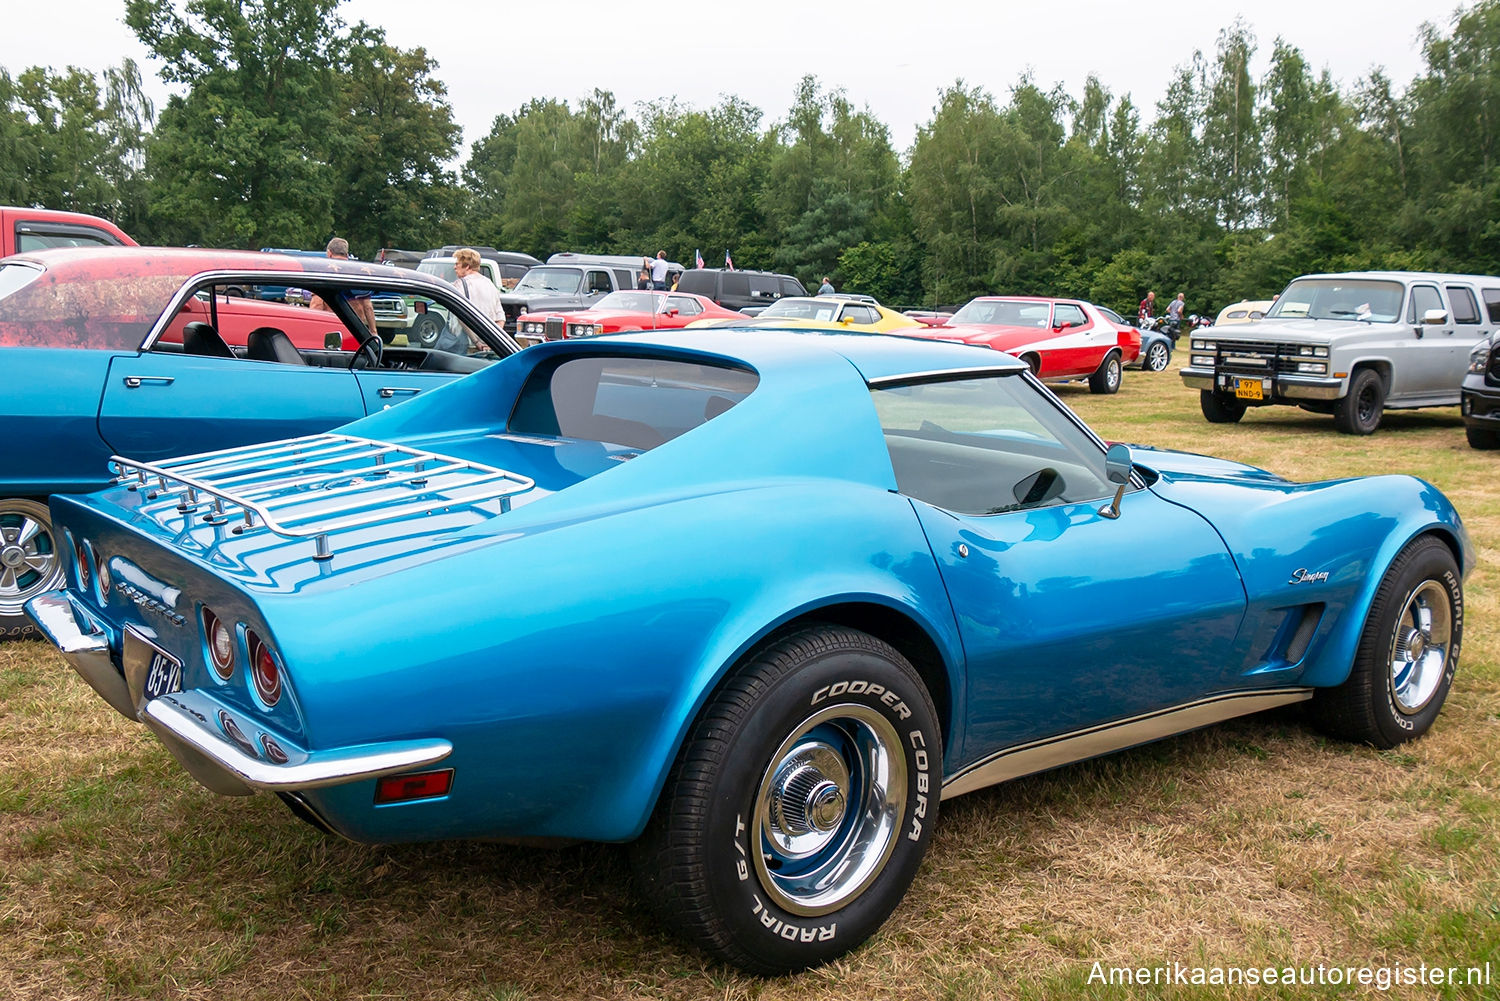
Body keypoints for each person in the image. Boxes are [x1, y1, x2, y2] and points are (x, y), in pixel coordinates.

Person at [310, 237, 378, 334]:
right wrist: (373, 332)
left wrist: (314, 331)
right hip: (356, 331)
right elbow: (368, 307)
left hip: (332, 330)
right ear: (347, 254)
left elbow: (317, 305)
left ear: (329, 253)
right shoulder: (358, 274)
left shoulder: (323, 273)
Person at [446, 247, 503, 354]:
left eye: (457, 264)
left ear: (467, 266)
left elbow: (462, 317)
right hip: (490, 346)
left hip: (465, 346)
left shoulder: (459, 285)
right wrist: (491, 340)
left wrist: (477, 342)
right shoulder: (490, 285)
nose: (454, 267)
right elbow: (500, 318)